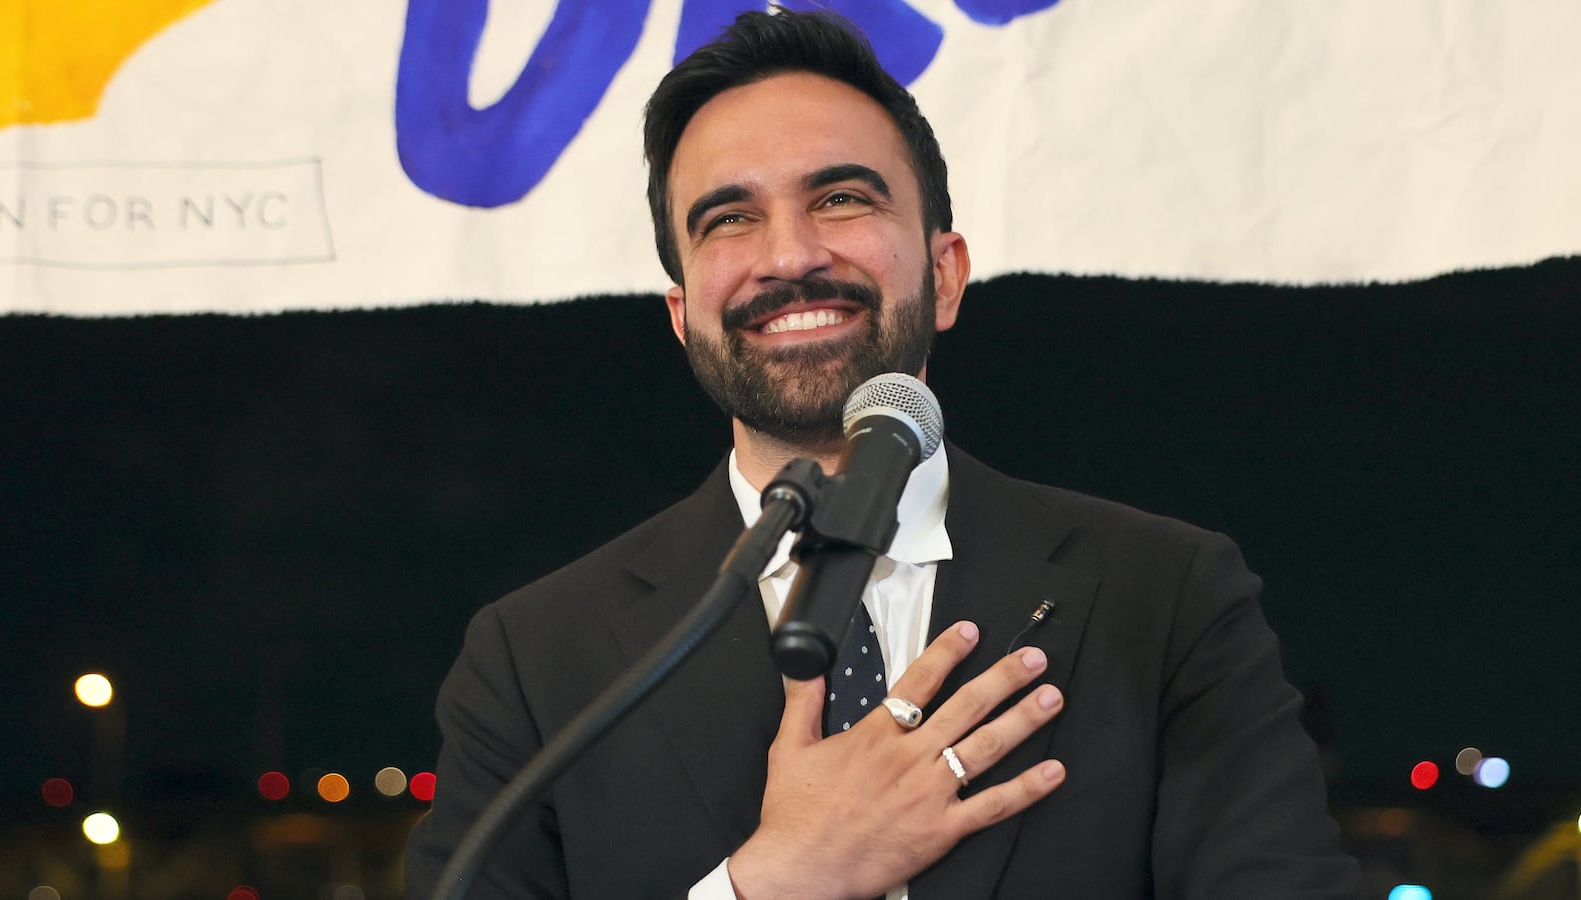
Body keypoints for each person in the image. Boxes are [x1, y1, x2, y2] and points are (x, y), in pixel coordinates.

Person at [406, 9, 1363, 899]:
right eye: (729, 218)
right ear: (682, 313)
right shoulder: (535, 659)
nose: (789, 255)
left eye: (841, 197)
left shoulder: (1166, 595)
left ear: (944, 275)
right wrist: (766, 886)